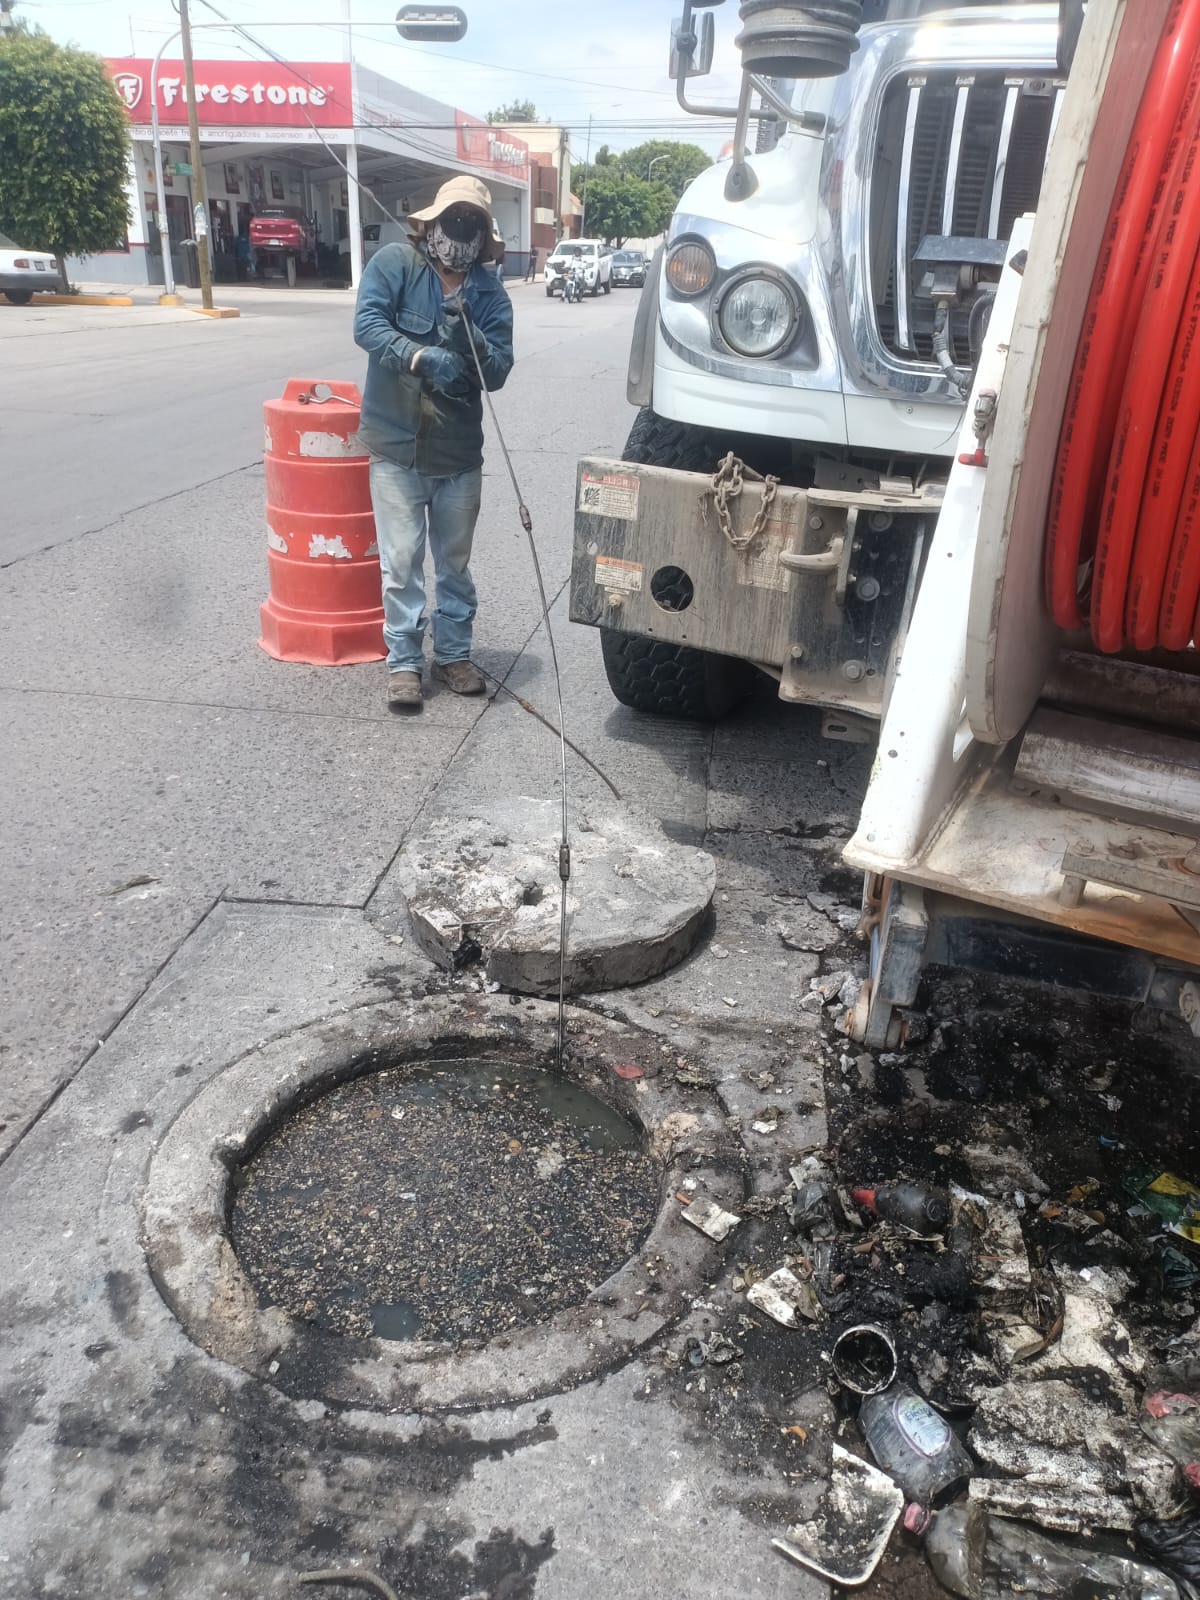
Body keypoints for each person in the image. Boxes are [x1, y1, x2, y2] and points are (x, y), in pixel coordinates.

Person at [353, 176, 514, 710]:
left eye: (472, 224)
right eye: (454, 220)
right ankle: (403, 663)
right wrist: (419, 356)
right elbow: (368, 325)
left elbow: (497, 375)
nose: (460, 234)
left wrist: (472, 339)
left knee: (454, 564)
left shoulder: (490, 295)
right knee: (400, 563)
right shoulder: (397, 264)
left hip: (457, 457)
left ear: (483, 236)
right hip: (397, 449)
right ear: (433, 223)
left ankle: (452, 656)